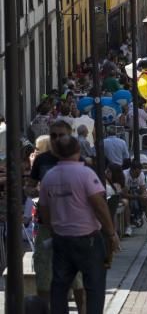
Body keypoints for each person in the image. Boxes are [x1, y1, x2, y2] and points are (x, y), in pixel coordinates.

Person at [39, 136, 119, 314]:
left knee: (59, 287)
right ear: (78, 152)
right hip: (87, 238)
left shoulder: (49, 177)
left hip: (61, 238)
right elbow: (99, 205)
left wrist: (54, 229)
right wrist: (111, 233)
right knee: (95, 286)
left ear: (57, 153)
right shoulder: (85, 174)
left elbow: (44, 209)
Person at [29, 120, 85, 311]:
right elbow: (31, 185)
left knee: (78, 281)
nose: (57, 139)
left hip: (73, 227)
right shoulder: (42, 160)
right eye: (53, 135)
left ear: (70, 136)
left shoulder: (78, 159)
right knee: (44, 277)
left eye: (62, 135)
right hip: (46, 226)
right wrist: (32, 190)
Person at [122, 160, 147, 232]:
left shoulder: (140, 174)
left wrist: (146, 195)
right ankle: (128, 226)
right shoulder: (125, 175)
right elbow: (124, 194)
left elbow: (143, 189)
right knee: (126, 202)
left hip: (135, 192)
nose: (137, 175)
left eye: (139, 173)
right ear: (131, 170)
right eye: (136, 173)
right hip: (125, 194)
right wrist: (139, 196)